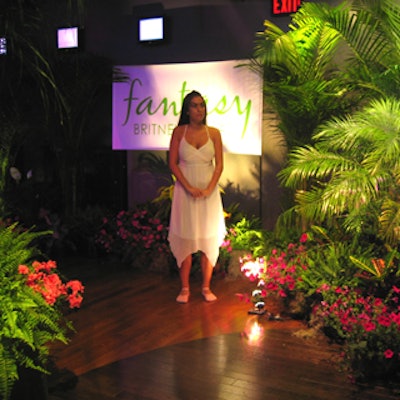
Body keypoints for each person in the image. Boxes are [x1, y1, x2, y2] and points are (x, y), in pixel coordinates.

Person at [168, 90, 226, 303]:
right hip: (185, 192)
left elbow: (219, 164)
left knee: (208, 237)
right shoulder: (178, 132)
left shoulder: (214, 133)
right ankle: (184, 288)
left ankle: (206, 286)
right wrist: (188, 187)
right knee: (187, 235)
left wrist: (210, 188)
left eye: (201, 105)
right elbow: (172, 163)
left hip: (208, 194)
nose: (199, 109)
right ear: (187, 109)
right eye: (194, 105)